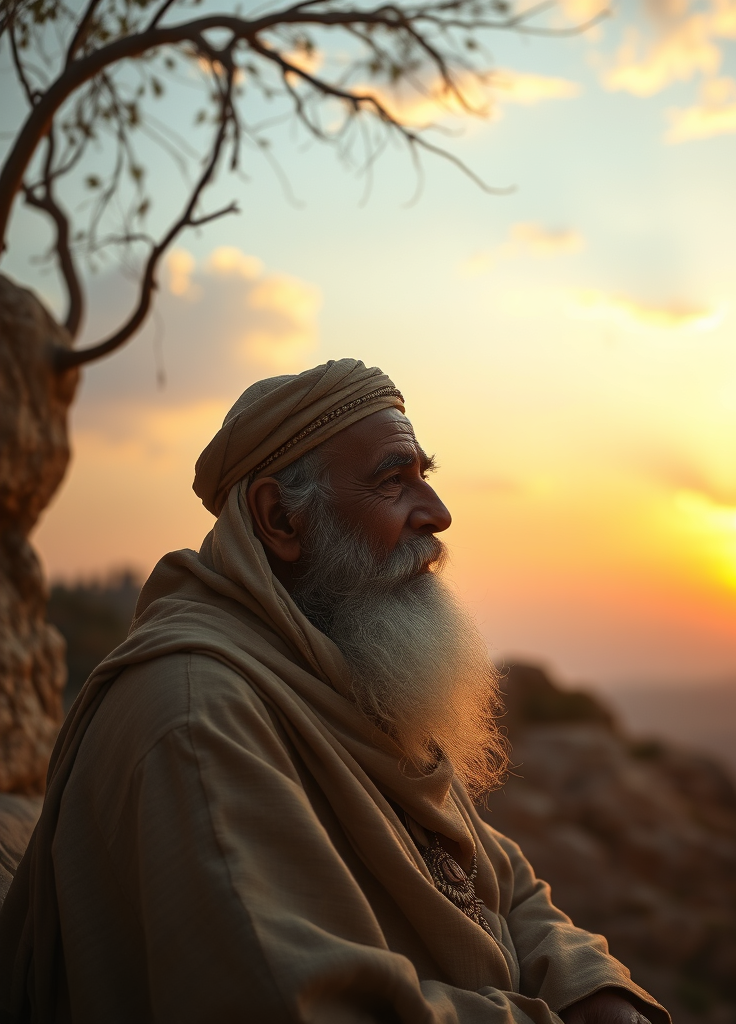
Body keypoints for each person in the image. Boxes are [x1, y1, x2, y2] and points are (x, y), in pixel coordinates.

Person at [0, 360, 668, 1024]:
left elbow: (498, 876)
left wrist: (591, 987)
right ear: (280, 519)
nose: (437, 515)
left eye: (424, 478)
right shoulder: (197, 716)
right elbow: (296, 1005)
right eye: (392, 481)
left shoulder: (340, 668)